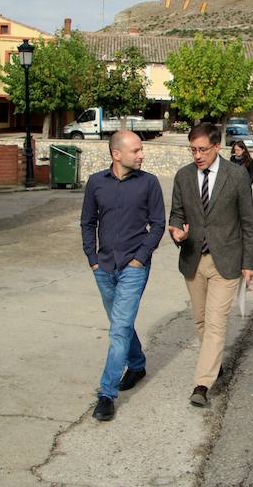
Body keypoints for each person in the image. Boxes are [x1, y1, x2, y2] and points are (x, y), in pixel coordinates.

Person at [168, 122, 253, 408]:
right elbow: (176, 215)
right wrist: (176, 232)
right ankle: (213, 362)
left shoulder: (237, 176)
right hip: (194, 258)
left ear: (217, 146)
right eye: (193, 149)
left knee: (216, 323)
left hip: (226, 261)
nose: (197, 155)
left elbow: (248, 223)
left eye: (202, 149)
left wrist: (249, 262)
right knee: (201, 322)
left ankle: (202, 385)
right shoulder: (183, 177)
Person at [81, 130, 166, 421]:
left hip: (133, 267)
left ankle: (106, 394)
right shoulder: (95, 183)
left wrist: (139, 260)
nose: (142, 155)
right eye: (136, 151)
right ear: (117, 154)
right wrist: (92, 259)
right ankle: (138, 364)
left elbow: (157, 225)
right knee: (121, 322)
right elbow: (87, 222)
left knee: (118, 328)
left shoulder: (149, 183)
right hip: (104, 267)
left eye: (141, 150)